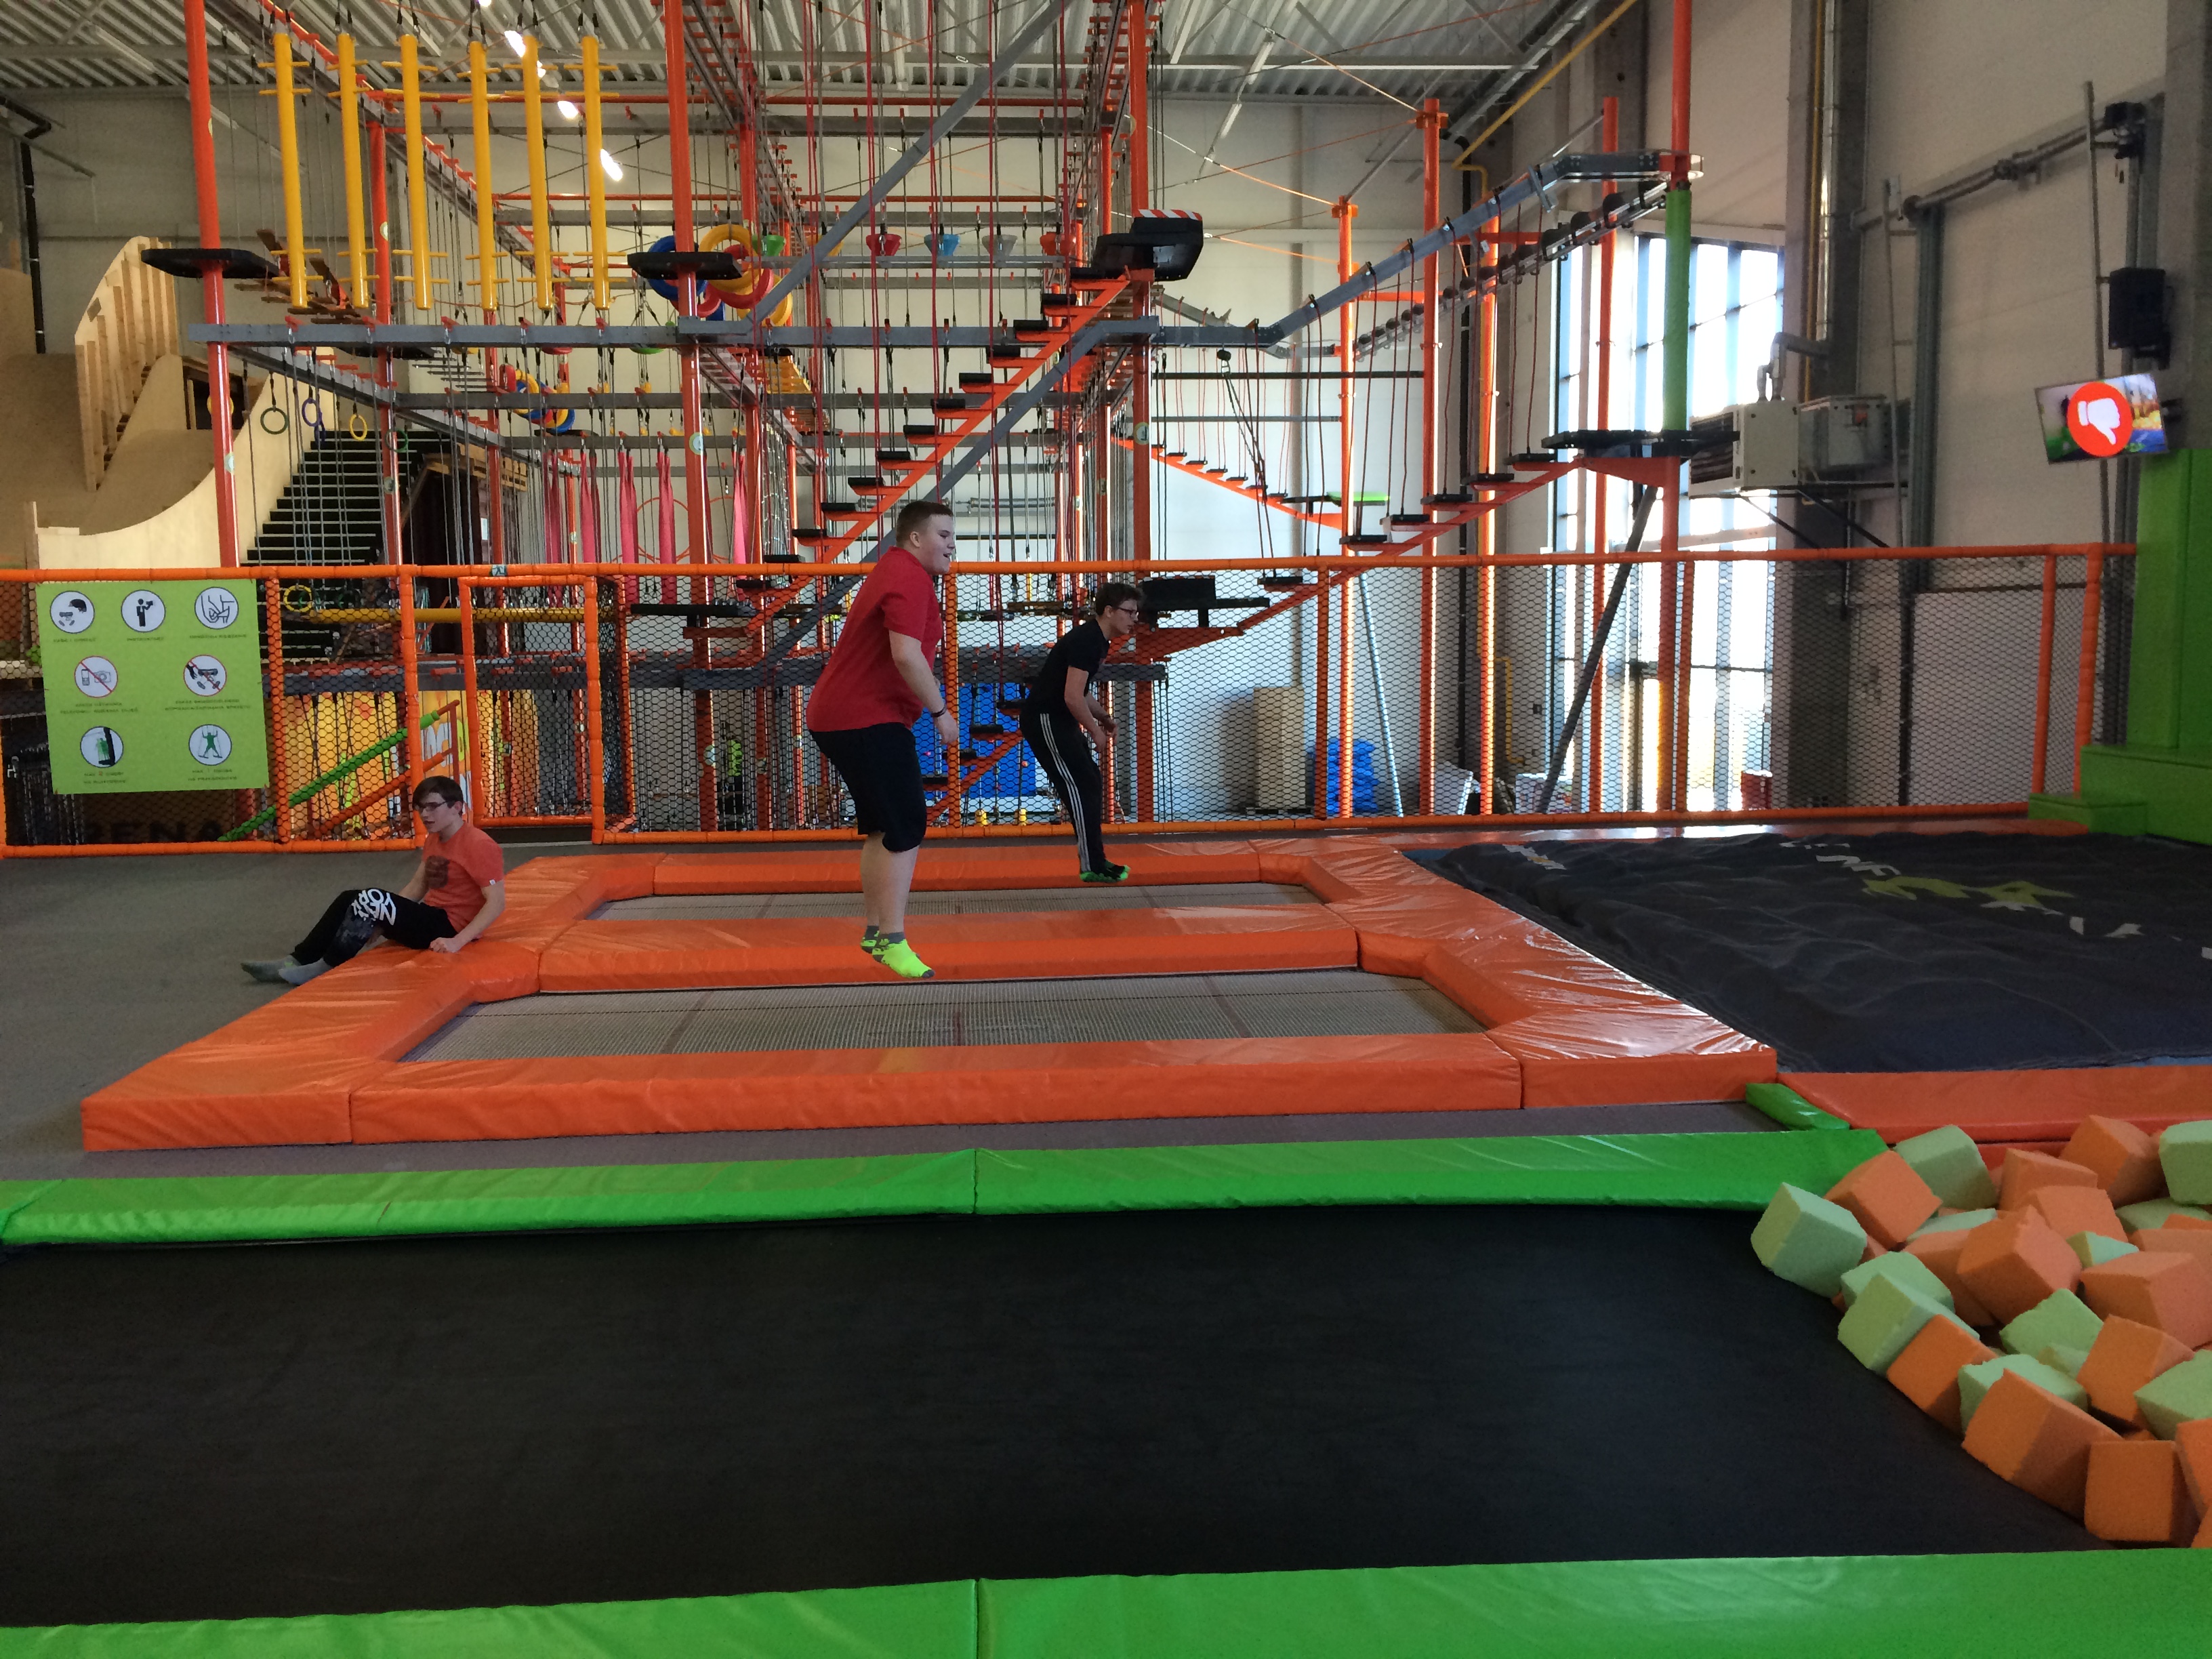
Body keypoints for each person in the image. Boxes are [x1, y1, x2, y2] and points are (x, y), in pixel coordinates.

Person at [805, 499, 960, 980]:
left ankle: (876, 932)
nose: (952, 546)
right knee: (906, 824)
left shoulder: (895, 570)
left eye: (954, 537)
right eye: (944, 536)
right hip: (864, 717)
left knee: (882, 827)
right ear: (915, 538)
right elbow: (906, 654)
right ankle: (893, 938)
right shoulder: (908, 576)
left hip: (846, 716)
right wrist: (941, 713)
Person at [243, 775, 507, 985]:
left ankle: (325, 966)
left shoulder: (479, 845)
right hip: (430, 916)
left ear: (457, 807)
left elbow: (496, 903)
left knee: (371, 898)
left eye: (433, 807)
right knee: (350, 898)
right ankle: (297, 959)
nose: (425, 814)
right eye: (420, 808)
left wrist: (457, 942)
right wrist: (384, 918)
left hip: (449, 928)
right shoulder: (435, 838)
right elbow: (418, 886)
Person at [1021, 581, 1143, 882]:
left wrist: (1103, 717)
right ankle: (1092, 864)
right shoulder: (1088, 640)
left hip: (1058, 718)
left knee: (1090, 781)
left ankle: (1095, 860)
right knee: (1078, 786)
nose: (1134, 618)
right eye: (1129, 612)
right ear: (1109, 611)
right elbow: (1072, 696)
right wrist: (1095, 731)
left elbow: (1081, 690)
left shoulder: (1098, 640)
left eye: (1136, 613)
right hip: (1045, 719)